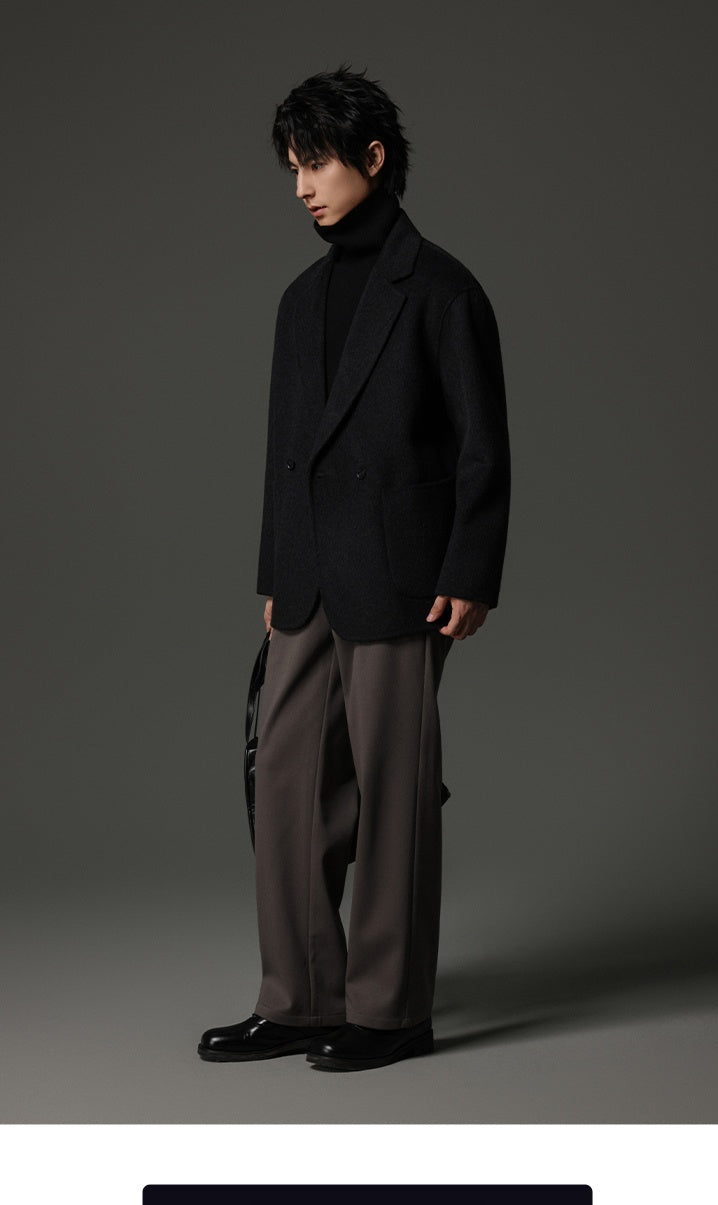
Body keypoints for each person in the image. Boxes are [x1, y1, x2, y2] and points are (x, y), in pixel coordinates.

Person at [199, 63, 511, 1072]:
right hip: (307, 576)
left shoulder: (444, 289)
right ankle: (297, 996)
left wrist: (472, 568)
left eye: (319, 163)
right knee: (288, 780)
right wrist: (274, 568)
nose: (302, 185)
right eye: (293, 165)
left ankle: (389, 1008)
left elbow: (482, 444)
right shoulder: (300, 301)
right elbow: (286, 451)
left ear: (374, 158)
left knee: (394, 788)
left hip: (405, 575)